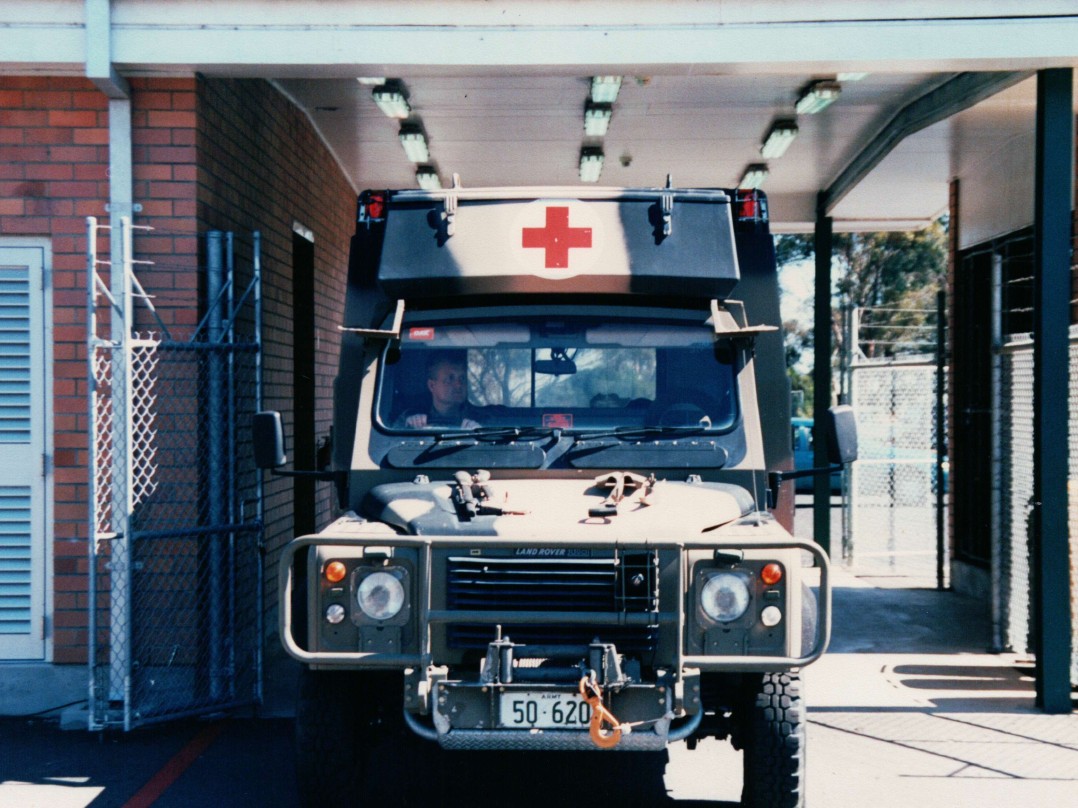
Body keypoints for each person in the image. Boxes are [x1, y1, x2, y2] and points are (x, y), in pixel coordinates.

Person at [401, 355, 481, 429]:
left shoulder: (482, 419)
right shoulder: (413, 416)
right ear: (432, 385)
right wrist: (410, 425)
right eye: (450, 379)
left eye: (462, 378)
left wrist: (480, 431)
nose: (459, 385)